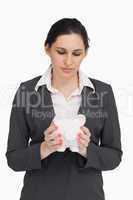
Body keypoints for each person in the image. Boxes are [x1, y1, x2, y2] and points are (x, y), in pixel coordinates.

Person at [5, 18, 123, 200]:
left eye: (77, 53)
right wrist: (45, 148)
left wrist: (86, 149)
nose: (69, 61)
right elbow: (13, 159)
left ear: (85, 53)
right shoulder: (27, 91)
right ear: (47, 48)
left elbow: (114, 156)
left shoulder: (102, 92)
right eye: (61, 52)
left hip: (88, 195)